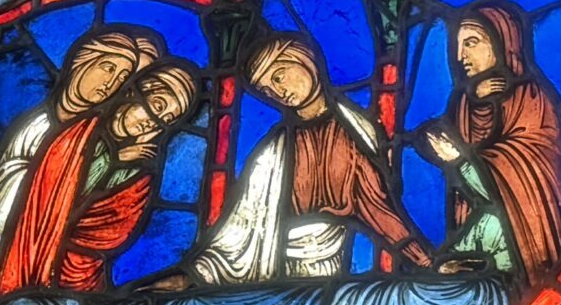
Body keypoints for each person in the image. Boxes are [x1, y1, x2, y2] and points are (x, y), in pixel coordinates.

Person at [186, 34, 434, 285]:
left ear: (304, 59)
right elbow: (240, 228)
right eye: (266, 90)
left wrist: (427, 263)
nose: (278, 92)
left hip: (330, 276)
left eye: (279, 77)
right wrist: (196, 274)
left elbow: (379, 211)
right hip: (274, 276)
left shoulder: (352, 136)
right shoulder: (273, 152)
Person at [0, 27, 162, 301]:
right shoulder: (35, 122)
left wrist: (115, 163)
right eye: (108, 68)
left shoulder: (96, 135)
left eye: (122, 78)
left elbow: (78, 205)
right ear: (82, 60)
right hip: (7, 250)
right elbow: (13, 193)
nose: (111, 83)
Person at [0, 60, 199, 296]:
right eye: (158, 106)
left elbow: (113, 233)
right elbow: (61, 202)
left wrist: (124, 165)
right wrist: (114, 160)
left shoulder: (141, 172)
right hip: (35, 262)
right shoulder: (76, 137)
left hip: (87, 281)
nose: (154, 122)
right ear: (135, 92)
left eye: (167, 120)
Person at [418, 4, 561, 283]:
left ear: (501, 43)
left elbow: (517, 182)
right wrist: (477, 102)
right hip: (479, 233)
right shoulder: (463, 102)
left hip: (522, 239)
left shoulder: (530, 99)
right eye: (458, 45)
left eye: (471, 43)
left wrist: (459, 160)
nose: (460, 56)